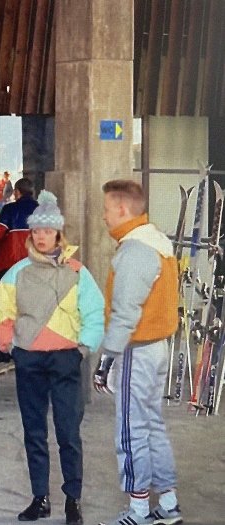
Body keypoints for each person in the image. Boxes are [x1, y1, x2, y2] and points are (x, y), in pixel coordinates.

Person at [0, 190, 104, 525]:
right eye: (36, 231)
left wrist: (83, 348)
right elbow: (2, 310)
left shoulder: (78, 272)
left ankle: (73, 500)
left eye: (47, 230)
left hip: (66, 359)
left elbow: (95, 312)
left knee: (68, 432)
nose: (40, 236)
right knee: (34, 431)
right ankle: (40, 498)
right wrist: (11, 344)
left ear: (58, 233)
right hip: (30, 360)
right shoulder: (17, 272)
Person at [94, 180, 182, 525]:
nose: (103, 217)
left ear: (121, 209)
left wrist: (106, 359)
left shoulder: (134, 250)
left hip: (136, 349)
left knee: (130, 431)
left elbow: (125, 313)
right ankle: (169, 504)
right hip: (157, 347)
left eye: (105, 209)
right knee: (152, 425)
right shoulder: (157, 241)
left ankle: (139, 510)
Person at [0, 178, 39, 362]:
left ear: (17, 192)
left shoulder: (10, 210)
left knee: (5, 306)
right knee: (31, 306)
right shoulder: (41, 210)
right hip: (35, 265)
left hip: (9, 265)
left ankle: (2, 349)